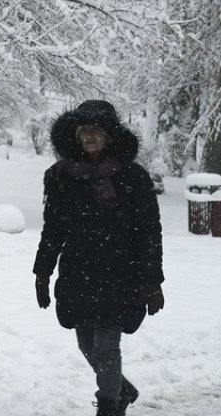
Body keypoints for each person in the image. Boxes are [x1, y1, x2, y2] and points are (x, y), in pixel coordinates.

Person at [34, 100, 164, 416]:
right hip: (78, 271)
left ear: (109, 136)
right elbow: (53, 229)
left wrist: (152, 280)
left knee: (107, 347)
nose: (89, 137)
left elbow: (149, 231)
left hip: (121, 271)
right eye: (83, 131)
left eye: (95, 131)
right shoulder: (61, 176)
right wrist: (42, 272)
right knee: (87, 345)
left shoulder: (133, 177)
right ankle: (121, 388)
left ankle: (109, 407)